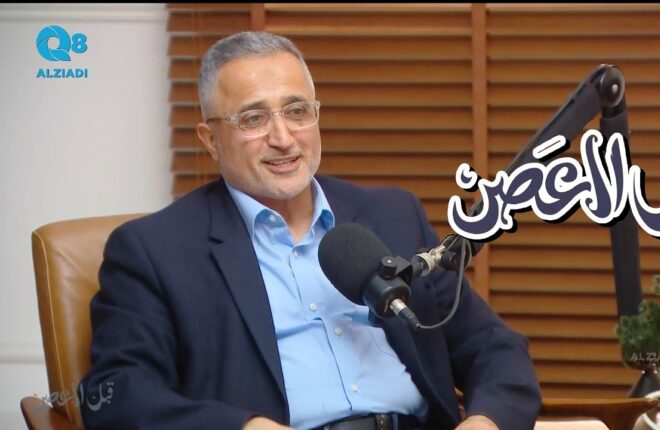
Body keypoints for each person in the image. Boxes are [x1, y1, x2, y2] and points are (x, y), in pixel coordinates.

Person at [81, 31, 540, 430]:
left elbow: (492, 346)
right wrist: (243, 427)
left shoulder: (392, 214)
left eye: (297, 111)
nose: (283, 138)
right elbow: (118, 392)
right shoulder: (154, 250)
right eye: (254, 119)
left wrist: (486, 420)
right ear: (210, 139)